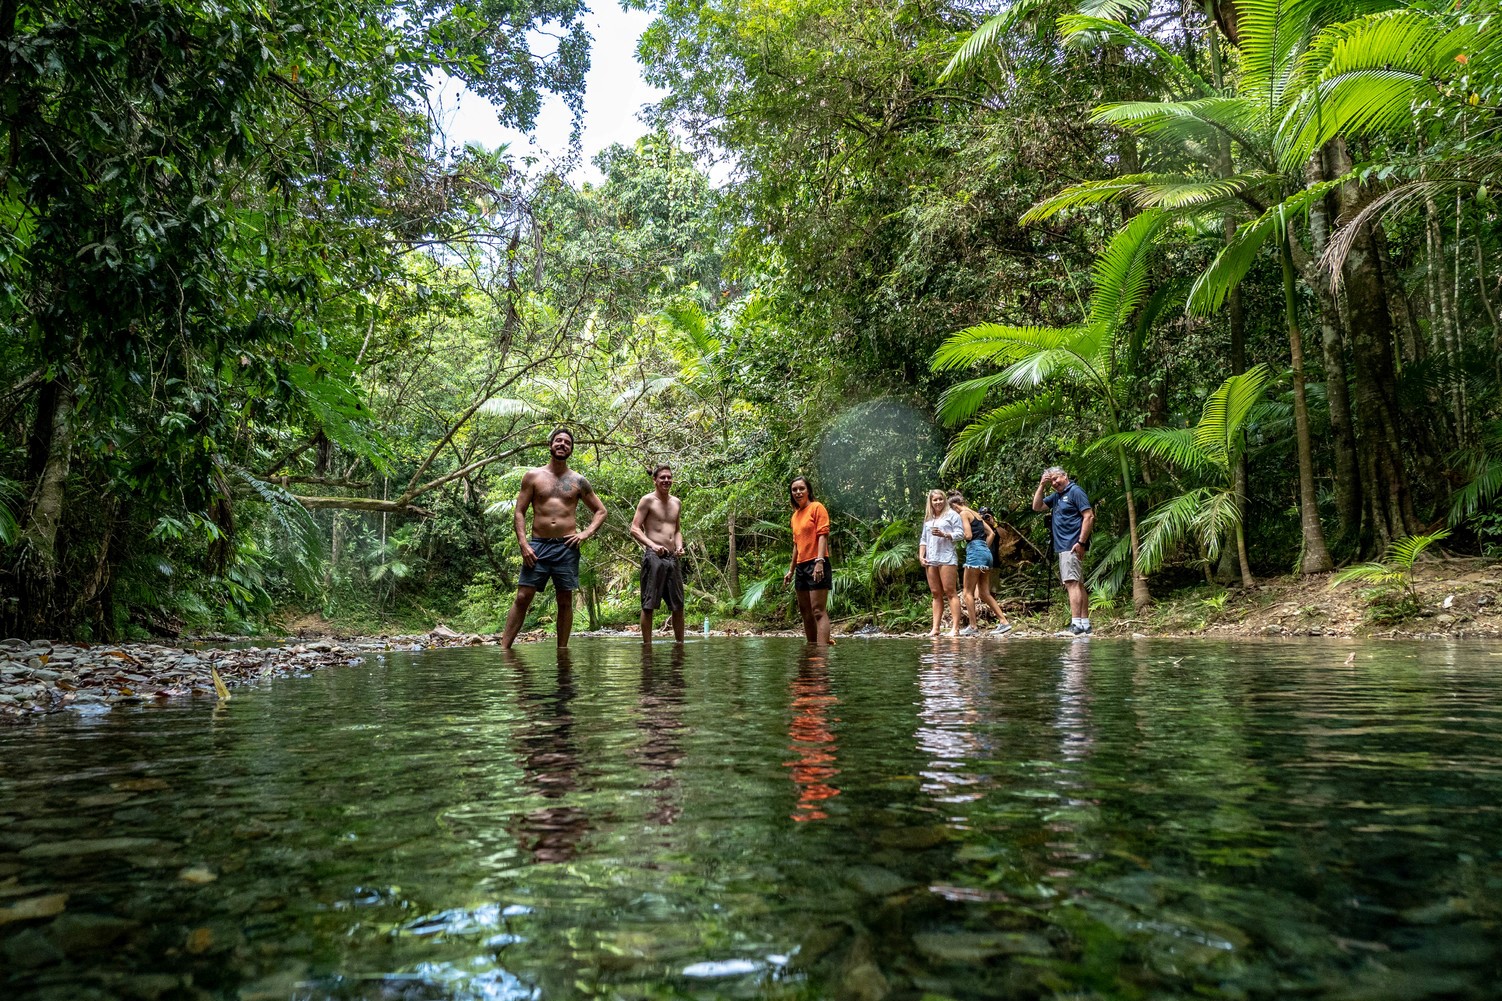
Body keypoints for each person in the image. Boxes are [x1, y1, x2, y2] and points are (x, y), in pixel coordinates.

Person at [501, 428, 608, 649]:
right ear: (550, 445)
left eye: (567, 442)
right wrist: (523, 543)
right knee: (523, 597)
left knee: (565, 600)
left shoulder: (578, 480)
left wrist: (585, 533)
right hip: (537, 546)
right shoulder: (533, 476)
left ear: (571, 449)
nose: (562, 444)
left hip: (566, 547)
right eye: (558, 441)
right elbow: (519, 511)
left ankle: (562, 652)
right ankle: (504, 649)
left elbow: (601, 511)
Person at [1032, 465, 1094, 636]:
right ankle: (1084, 624)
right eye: (1051, 480)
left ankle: (1076, 625)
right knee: (1077, 583)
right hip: (1065, 545)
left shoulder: (1075, 491)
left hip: (1071, 544)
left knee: (1071, 583)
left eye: (1056, 478)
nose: (1054, 483)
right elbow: (1036, 507)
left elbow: (1089, 516)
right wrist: (1041, 486)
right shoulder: (1057, 496)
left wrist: (1081, 542)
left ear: (1065, 476)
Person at [629, 463, 686, 645]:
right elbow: (635, 529)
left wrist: (679, 546)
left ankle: (680, 646)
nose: (666, 480)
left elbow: (677, 530)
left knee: (678, 605)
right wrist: (652, 545)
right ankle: (647, 647)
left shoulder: (676, 502)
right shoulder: (647, 500)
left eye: (669, 477)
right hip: (654, 557)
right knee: (649, 604)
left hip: (672, 557)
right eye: (662, 477)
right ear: (654, 480)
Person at [950, 491, 1011, 636]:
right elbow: (991, 533)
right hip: (986, 553)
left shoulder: (963, 513)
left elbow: (968, 535)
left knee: (967, 592)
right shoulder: (976, 514)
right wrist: (983, 546)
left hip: (975, 553)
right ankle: (1004, 622)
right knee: (984, 593)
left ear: (955, 506)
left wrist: (951, 536)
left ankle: (973, 626)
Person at [782, 475, 832, 645]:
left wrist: (819, 562)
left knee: (818, 610)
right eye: (794, 489)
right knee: (806, 612)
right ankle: (812, 648)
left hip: (817, 562)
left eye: (801, 488)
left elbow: (823, 535)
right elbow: (796, 545)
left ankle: (822, 652)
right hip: (801, 567)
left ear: (808, 490)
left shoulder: (817, 508)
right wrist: (791, 570)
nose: (798, 492)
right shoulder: (795, 516)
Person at [919, 488, 963, 637]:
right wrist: (921, 556)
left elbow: (961, 534)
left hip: (947, 557)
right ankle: (935, 628)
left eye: (940, 499)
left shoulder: (952, 515)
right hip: (931, 559)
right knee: (935, 593)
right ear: (930, 502)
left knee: (950, 591)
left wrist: (945, 534)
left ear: (944, 500)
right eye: (935, 500)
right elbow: (923, 540)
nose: (938, 502)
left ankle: (955, 628)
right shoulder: (928, 519)